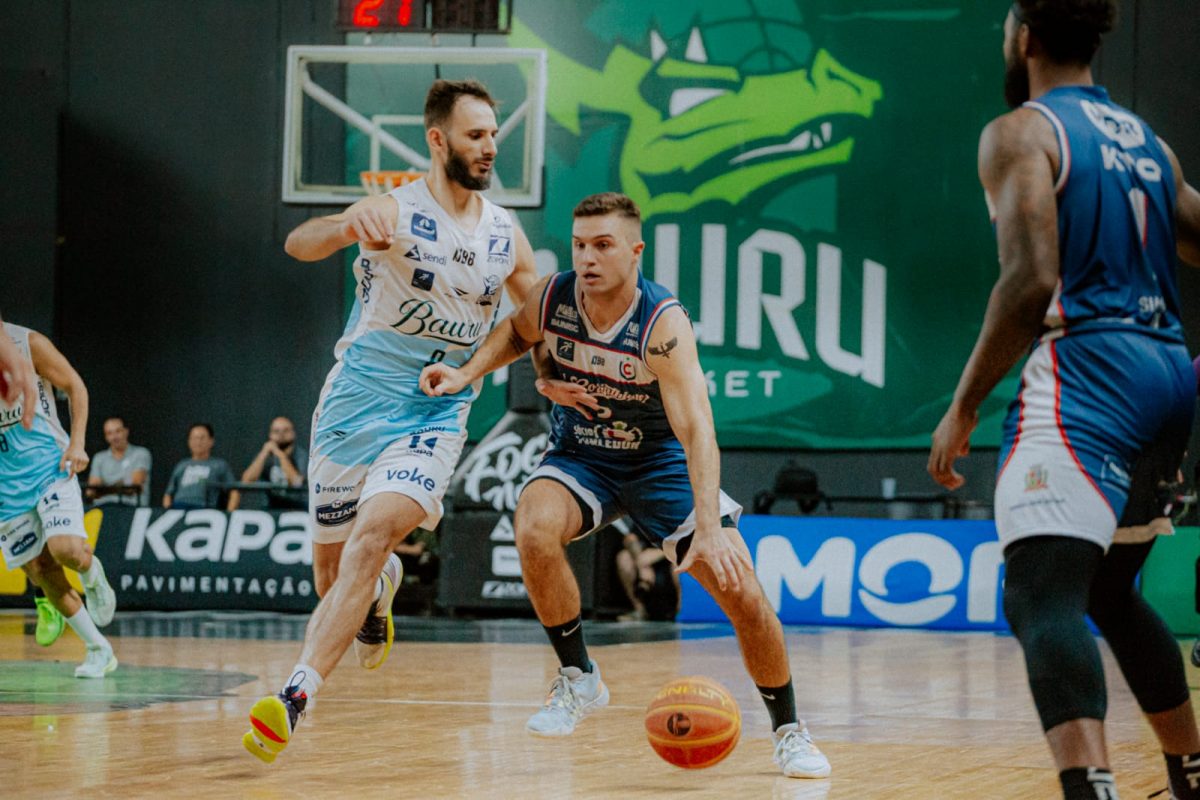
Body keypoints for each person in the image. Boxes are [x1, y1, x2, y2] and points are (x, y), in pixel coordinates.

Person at [420, 192, 831, 779]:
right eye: (579, 245)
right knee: (533, 527)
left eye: (603, 245)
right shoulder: (556, 295)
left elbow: (697, 430)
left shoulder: (662, 324)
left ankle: (790, 731)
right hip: (583, 455)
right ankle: (578, 677)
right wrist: (473, 372)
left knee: (742, 592)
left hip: (658, 464)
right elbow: (517, 331)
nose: (587, 258)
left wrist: (709, 529)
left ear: (635, 251)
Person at [927, 3, 1200, 798]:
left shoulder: (1022, 132)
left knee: (1041, 595)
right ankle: (1190, 770)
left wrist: (964, 404)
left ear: (1026, 38)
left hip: (1089, 371)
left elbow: (1030, 281)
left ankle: (1092, 788)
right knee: (1109, 591)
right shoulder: (1148, 143)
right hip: (1166, 374)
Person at [242, 78, 538, 763]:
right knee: (331, 576)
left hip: (435, 408)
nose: (490, 146)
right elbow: (299, 243)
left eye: (493, 134)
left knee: (373, 534)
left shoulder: (504, 234)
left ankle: (293, 696)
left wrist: (554, 373)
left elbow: (536, 320)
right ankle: (377, 593)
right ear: (437, 140)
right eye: (475, 134)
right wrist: (348, 224)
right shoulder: (394, 209)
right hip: (354, 403)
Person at [0, 322, 118, 678]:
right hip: (6, 488)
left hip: (50, 466)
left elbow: (75, 386)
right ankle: (99, 649)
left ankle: (91, 573)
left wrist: (77, 442)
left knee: (65, 550)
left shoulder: (27, 343)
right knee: (40, 572)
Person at [232, 416, 307, 510]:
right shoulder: (266, 456)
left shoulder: (301, 455)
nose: (281, 434)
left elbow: (297, 483)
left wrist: (280, 455)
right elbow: (246, 481)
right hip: (271, 507)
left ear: (293, 433)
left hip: (297, 507)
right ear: (270, 435)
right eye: (276, 431)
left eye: (286, 430)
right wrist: (263, 453)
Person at [162, 423, 236, 510]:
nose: (198, 442)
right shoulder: (182, 465)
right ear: (189, 441)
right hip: (179, 507)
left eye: (202, 438)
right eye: (194, 438)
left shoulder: (219, 465)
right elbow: (168, 493)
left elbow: (234, 490)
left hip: (204, 508)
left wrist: (229, 514)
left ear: (211, 441)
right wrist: (168, 511)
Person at [615, 529, 679, 622]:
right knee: (624, 557)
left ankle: (681, 611)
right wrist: (642, 564)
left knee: (679, 562)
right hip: (645, 564)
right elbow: (630, 539)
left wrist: (659, 553)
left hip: (670, 559)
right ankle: (640, 610)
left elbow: (685, 540)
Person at [87, 416, 152, 506]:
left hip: (131, 507)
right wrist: (121, 485)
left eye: (118, 431)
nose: (114, 437)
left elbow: (134, 487)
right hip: (103, 507)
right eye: (109, 433)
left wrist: (103, 489)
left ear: (126, 431)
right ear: (106, 437)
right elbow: (91, 491)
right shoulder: (99, 457)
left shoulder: (141, 453)